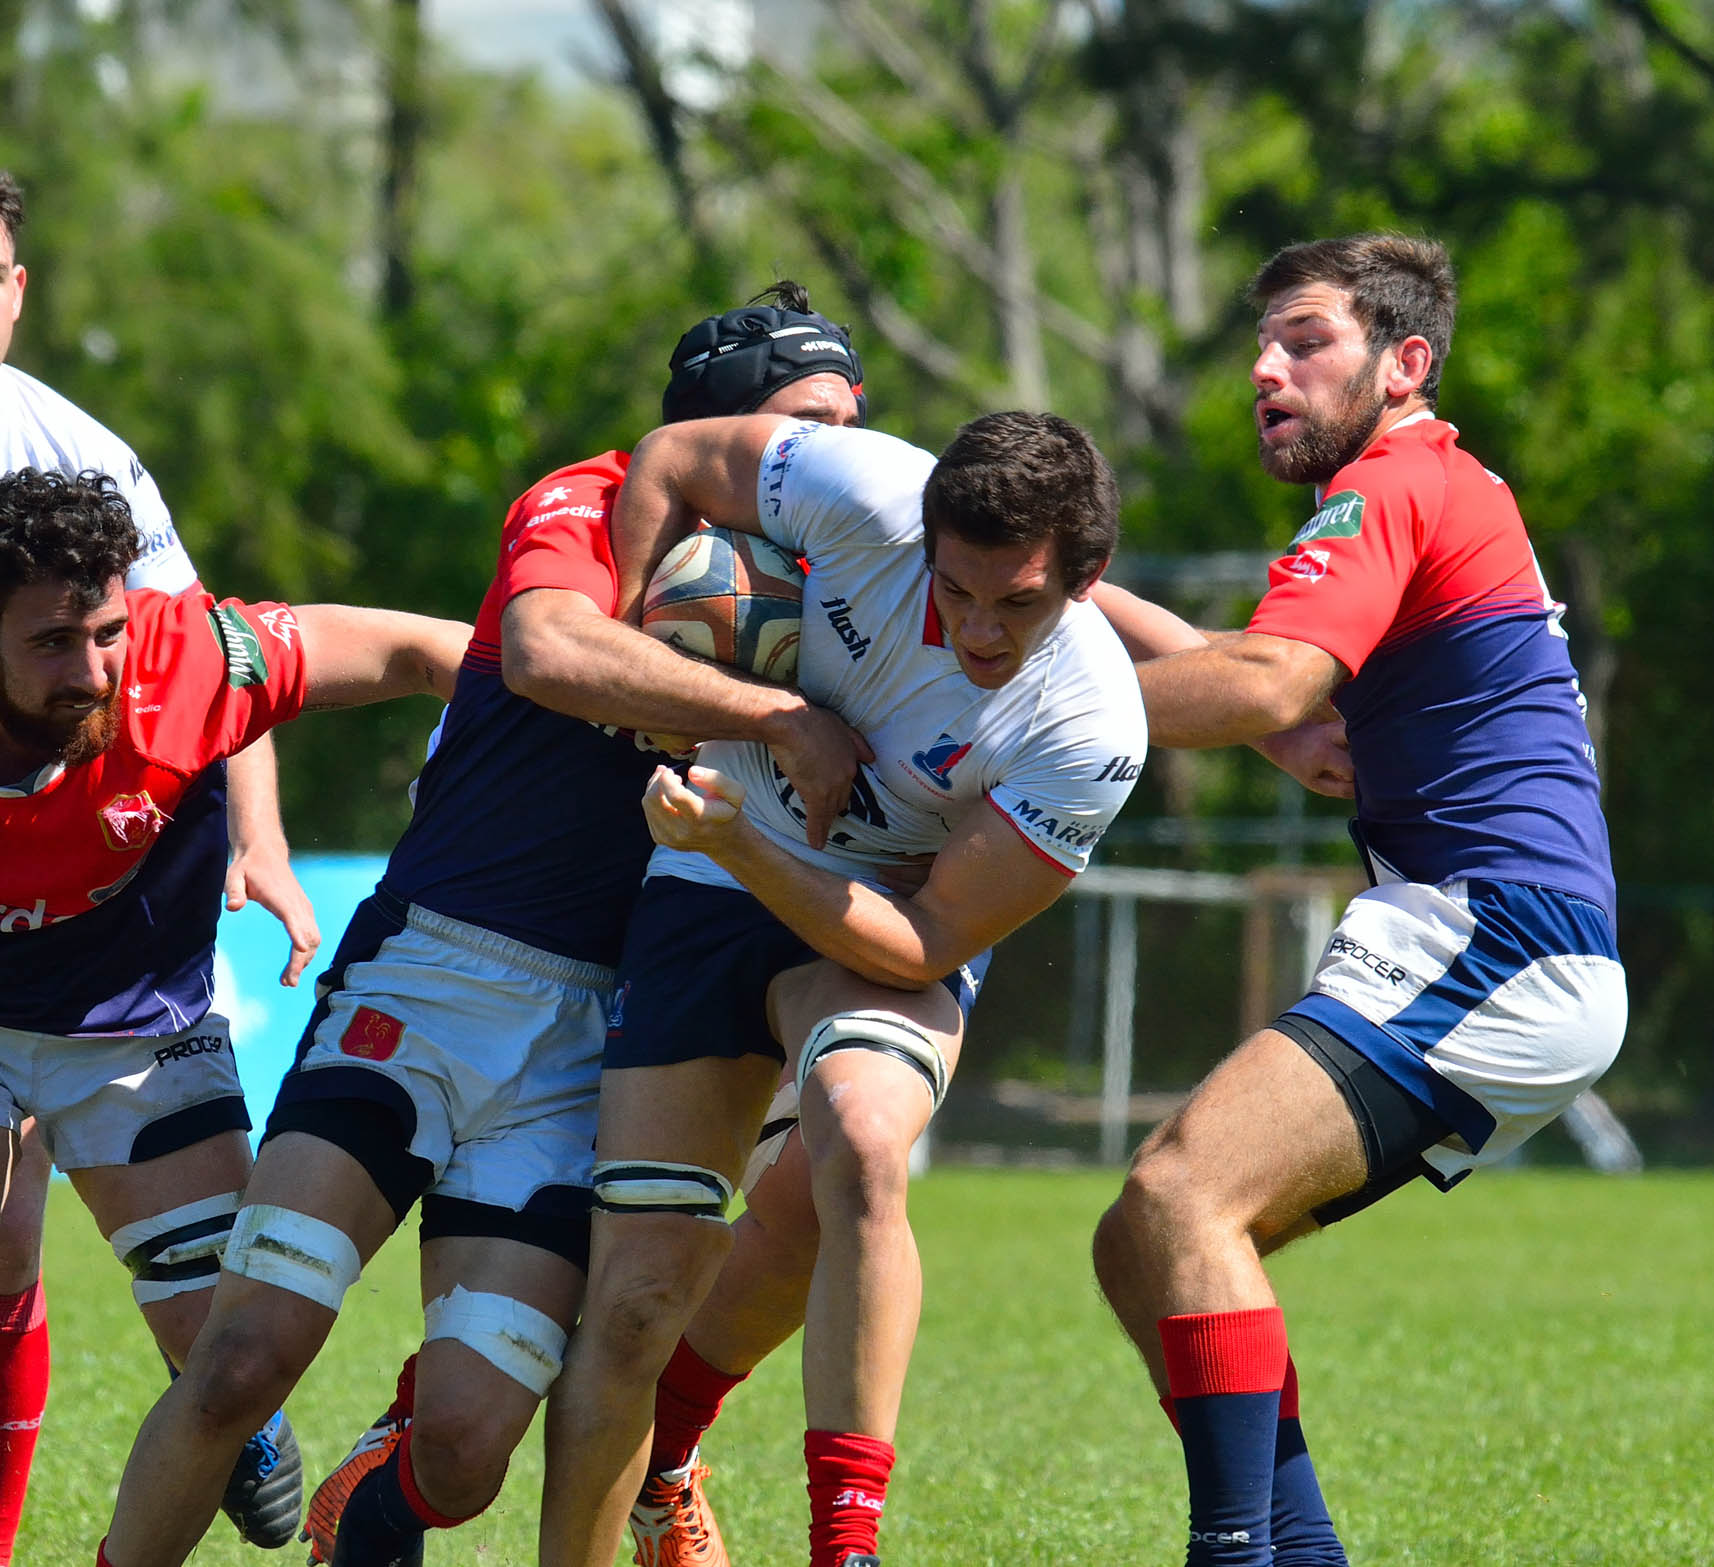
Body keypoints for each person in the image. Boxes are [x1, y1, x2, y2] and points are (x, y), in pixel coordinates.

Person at [98, 288, 876, 1567]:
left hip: (596, 1050)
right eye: (804, 425)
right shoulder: (590, 496)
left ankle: (385, 1495)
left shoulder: (847, 577)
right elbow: (545, 647)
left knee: (461, 1452)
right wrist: (776, 713)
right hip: (435, 967)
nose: (833, 459)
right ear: (713, 422)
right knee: (241, 1359)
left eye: (851, 428)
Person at [1087, 233, 1627, 1566]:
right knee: (1138, 1243)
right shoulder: (1423, 486)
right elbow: (1263, 676)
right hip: (1497, 940)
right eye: (1259, 347)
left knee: (1178, 1196)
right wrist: (1072, 601)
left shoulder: (1391, 481)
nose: (1266, 370)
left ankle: (1235, 1552)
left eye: (1306, 339)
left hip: (1497, 936)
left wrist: (986, 710)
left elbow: (1268, 683)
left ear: (1406, 363)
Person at [537, 407, 1149, 1567]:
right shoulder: (859, 487)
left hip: (865, 922)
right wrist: (641, 656)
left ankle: (845, 1547)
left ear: (1087, 577)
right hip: (707, 892)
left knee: (864, 1140)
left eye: (1016, 603)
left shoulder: (1093, 724)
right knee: (630, 1305)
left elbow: (920, 944)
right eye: (954, 590)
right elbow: (670, 459)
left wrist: (743, 845)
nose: (977, 628)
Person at [0, 464, 464, 1563]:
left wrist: (596, 717)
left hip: (133, 1018)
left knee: (237, 1364)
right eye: (51, 645)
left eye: (106, 630)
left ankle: (236, 1429)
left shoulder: (187, 655)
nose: (93, 669)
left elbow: (434, 653)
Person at [0, 169, 320, 1559]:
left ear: (16, 289)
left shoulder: (76, 453)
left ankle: (237, 1410)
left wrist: (260, 835)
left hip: (111, 932)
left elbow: (207, 660)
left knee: (222, 1339)